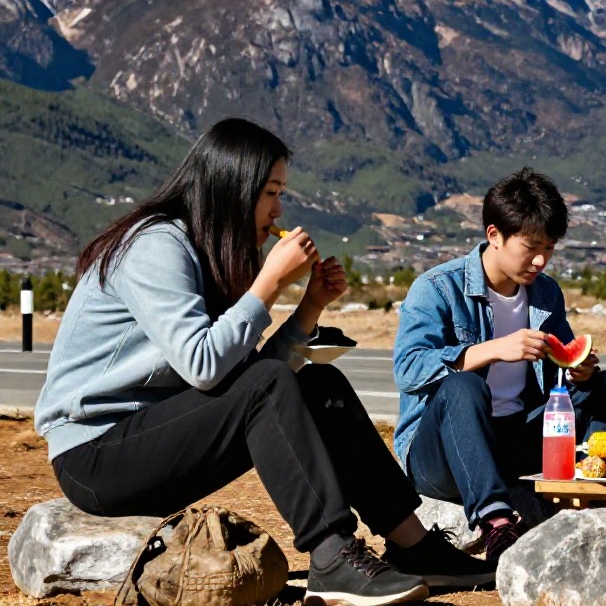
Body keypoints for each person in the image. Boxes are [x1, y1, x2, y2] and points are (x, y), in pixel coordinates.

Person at [34, 118, 491, 606]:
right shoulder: (155, 245)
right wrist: (268, 285)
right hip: (96, 455)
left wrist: (309, 307)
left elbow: (249, 381)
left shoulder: (206, 253)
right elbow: (205, 366)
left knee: (321, 387)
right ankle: (332, 554)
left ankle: (415, 547)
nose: (278, 208)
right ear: (232, 188)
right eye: (270, 192)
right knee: (272, 382)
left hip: (156, 438)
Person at [394, 168, 606, 561]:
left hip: (516, 439)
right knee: (463, 385)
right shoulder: (438, 287)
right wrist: (494, 349)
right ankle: (496, 524)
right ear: (494, 235)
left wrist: (580, 371)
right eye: (530, 246)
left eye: (550, 248)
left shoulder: (545, 292)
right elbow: (408, 369)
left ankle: (592, 504)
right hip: (441, 455)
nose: (541, 260)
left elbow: (558, 366)